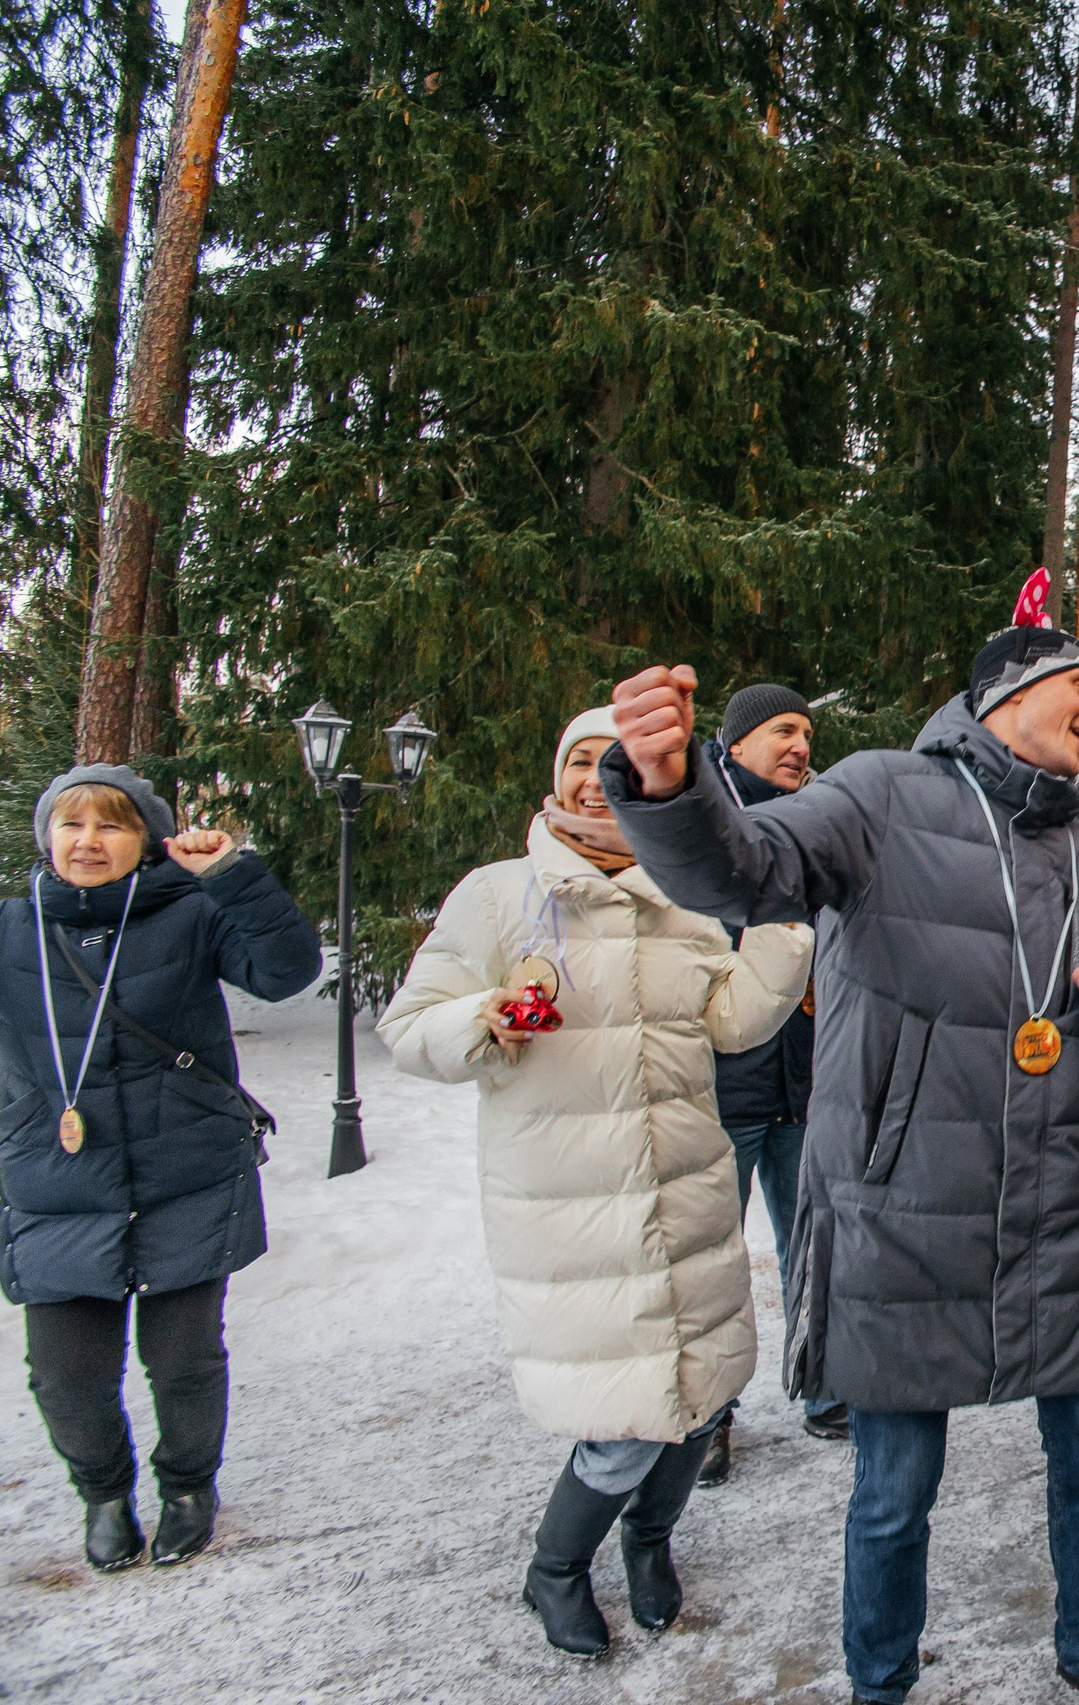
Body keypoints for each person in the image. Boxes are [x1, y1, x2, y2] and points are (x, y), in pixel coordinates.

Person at [596, 626, 1079, 1705]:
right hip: (905, 1205)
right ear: (1007, 690)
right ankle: (880, 1683)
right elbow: (744, 870)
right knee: (895, 1491)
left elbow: (1074, 1025)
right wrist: (667, 787)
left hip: (1053, 1207)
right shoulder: (880, 793)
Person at [379, 708, 811, 1659]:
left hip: (688, 1188)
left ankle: (651, 1541)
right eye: (579, 759)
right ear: (559, 776)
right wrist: (485, 1017)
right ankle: (558, 1566)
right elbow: (410, 1026)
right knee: (620, 1421)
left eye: (612, 762)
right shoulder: (499, 897)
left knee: (698, 1401)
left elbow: (734, 1023)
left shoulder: (688, 895)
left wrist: (783, 929)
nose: (594, 778)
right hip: (574, 1207)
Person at [0, 764, 320, 1573]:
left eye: (112, 825)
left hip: (187, 1172)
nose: (89, 841)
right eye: (72, 824)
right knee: (64, 1373)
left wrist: (233, 876)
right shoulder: (0, 929)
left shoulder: (191, 913)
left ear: (146, 840)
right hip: (56, 1184)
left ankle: (189, 1487)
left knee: (186, 1359)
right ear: (47, 836)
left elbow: (288, 971)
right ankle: (102, 1493)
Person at [698, 681, 845, 1478]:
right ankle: (711, 1415)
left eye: (807, 735)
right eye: (785, 731)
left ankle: (821, 1385)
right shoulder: (704, 824)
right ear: (738, 739)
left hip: (806, 1077)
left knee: (812, 1242)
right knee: (714, 1256)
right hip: (723, 1084)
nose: (800, 747)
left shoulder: (812, 824)